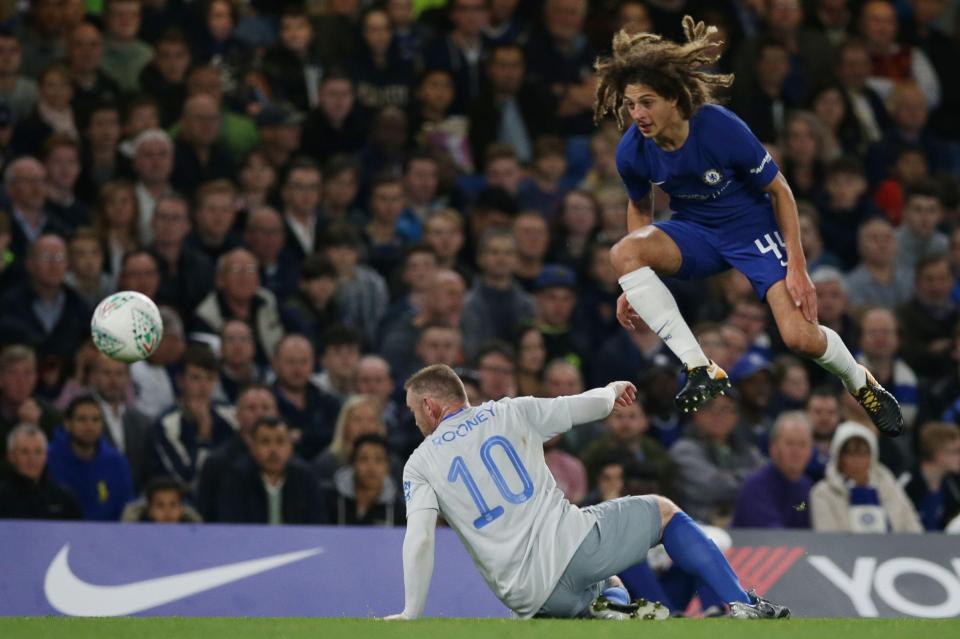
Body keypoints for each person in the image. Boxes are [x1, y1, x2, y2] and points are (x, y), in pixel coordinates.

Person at [597, 17, 903, 438]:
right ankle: (700, 366)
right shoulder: (632, 150)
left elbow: (781, 191)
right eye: (630, 105)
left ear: (673, 98)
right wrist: (633, 282)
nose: (637, 114)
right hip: (696, 233)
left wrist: (798, 266)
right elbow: (638, 206)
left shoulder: (719, 127)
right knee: (622, 253)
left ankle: (860, 382)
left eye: (646, 102)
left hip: (752, 231)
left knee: (800, 338)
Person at [386, 364, 789, 620]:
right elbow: (575, 407)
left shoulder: (419, 464)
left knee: (606, 581)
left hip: (527, 598)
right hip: (569, 550)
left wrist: (410, 613)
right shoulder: (508, 411)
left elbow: (419, 539)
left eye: (412, 410)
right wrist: (611, 391)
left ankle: (611, 609)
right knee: (663, 511)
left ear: (430, 405)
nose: (415, 418)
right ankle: (746, 606)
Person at [809, 420, 921, 533]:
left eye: (863, 453)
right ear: (838, 456)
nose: (857, 460)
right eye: (850, 453)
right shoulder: (822, 493)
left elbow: (914, 531)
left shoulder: (891, 488)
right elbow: (828, 538)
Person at [46, 395, 134, 521]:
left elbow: (127, 511)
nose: (89, 426)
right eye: (82, 419)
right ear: (67, 424)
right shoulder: (47, 458)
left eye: (95, 420)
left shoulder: (117, 463)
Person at [731, 411, 813, 529]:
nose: (796, 451)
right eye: (790, 443)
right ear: (773, 447)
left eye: (803, 444)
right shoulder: (755, 486)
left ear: (811, 451)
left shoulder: (806, 486)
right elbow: (772, 538)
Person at [0, 423, 82, 520]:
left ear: (46, 456)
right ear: (11, 456)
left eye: (38, 452)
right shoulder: (2, 497)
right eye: (24, 452)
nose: (32, 459)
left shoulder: (64, 498)